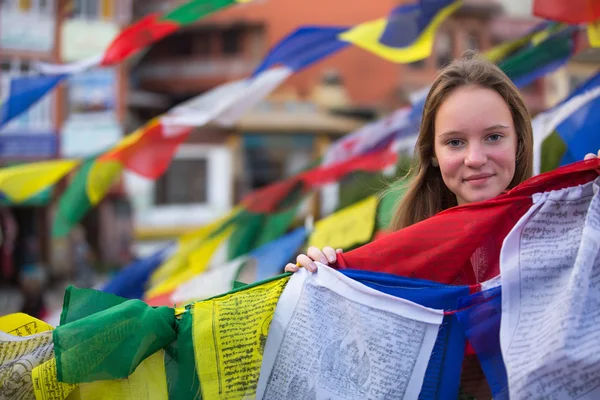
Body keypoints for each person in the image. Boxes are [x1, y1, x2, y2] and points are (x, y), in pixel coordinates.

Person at [285, 51, 600, 274]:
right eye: (455, 142)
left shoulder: (567, 230)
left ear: (518, 140)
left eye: (494, 137)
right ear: (432, 153)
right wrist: (320, 276)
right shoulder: (397, 252)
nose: (475, 159)